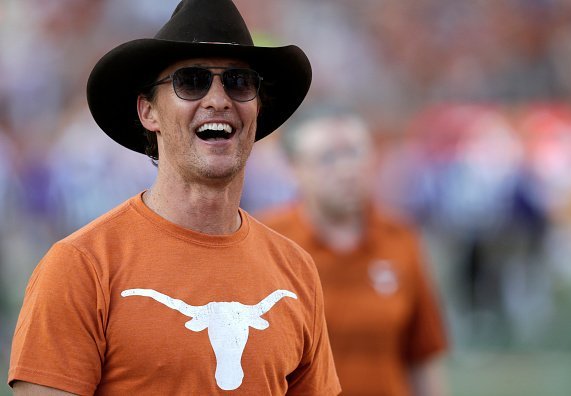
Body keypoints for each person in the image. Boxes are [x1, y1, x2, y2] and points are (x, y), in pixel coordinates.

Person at [7, 1, 341, 394]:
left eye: (239, 82)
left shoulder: (295, 270)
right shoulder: (82, 266)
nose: (218, 99)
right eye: (192, 80)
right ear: (148, 112)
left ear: (257, 110)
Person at [259, 106, 448, 396]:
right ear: (294, 168)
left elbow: (422, 357)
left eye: (355, 152)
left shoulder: (401, 240)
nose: (346, 169)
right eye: (328, 158)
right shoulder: (266, 243)